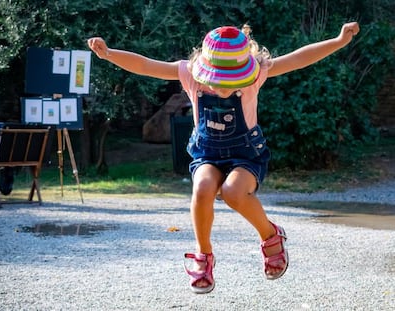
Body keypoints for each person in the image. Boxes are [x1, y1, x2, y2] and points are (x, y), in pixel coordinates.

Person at [87, 21, 360, 294]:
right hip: (207, 152)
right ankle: (203, 256)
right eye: (218, 82)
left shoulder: (258, 73)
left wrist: (337, 42)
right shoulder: (189, 73)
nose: (223, 89)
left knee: (233, 192)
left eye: (233, 82)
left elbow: (299, 58)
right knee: (203, 188)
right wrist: (110, 53)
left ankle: (270, 235)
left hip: (246, 153)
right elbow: (146, 66)